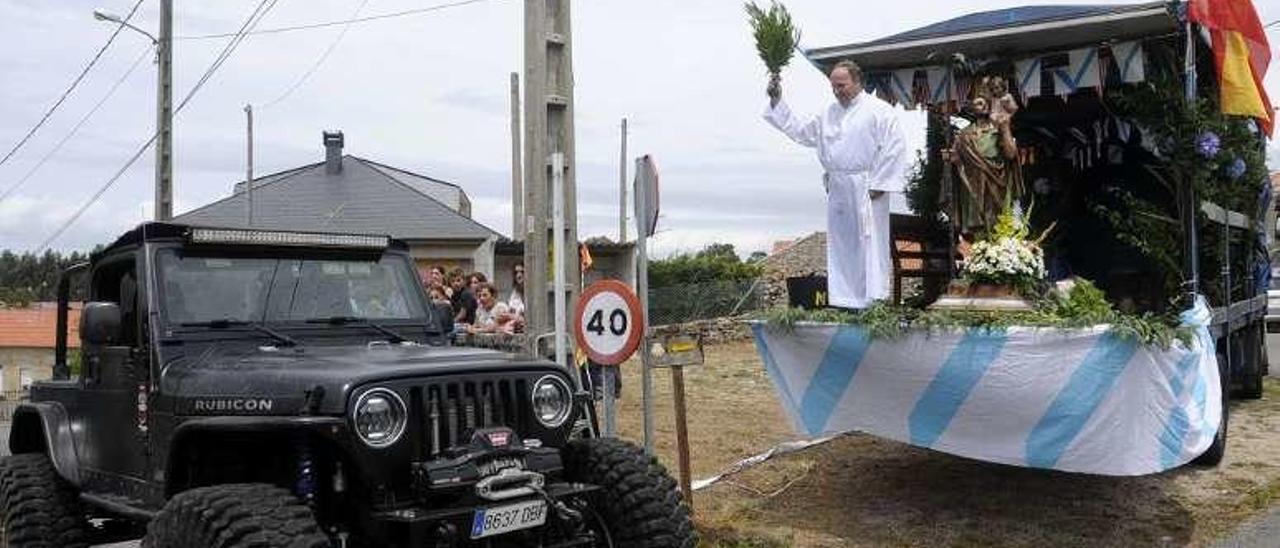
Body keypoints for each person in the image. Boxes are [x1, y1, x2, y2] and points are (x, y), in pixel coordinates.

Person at [763, 59, 909, 309]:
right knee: (842, 244)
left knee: (869, 243)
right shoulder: (826, 113)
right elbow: (800, 131)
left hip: (868, 186)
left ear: (857, 81)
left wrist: (881, 182)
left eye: (842, 85)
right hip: (839, 187)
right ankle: (844, 301)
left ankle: (873, 300)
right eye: (833, 86)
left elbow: (895, 147)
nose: (837, 91)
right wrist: (778, 101)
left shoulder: (879, 110)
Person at [947, 76, 1022, 232]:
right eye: (978, 103)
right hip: (973, 187)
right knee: (978, 230)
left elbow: (1010, 154)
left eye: (984, 102)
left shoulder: (998, 128)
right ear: (972, 109)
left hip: (997, 182)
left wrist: (1006, 127)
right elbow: (955, 159)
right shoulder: (964, 135)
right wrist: (951, 159)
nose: (983, 105)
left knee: (999, 225)